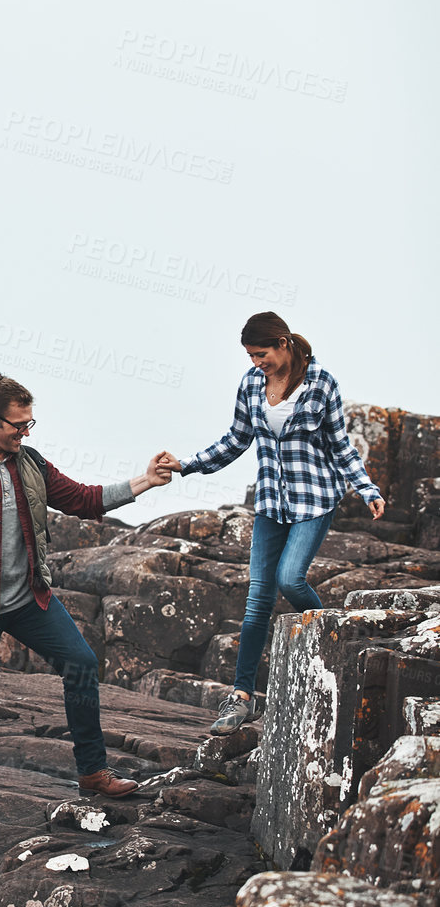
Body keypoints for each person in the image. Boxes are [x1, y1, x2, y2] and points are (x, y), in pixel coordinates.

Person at [0, 374, 173, 840]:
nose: (26, 433)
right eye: (17, 425)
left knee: (82, 664)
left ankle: (92, 773)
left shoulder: (31, 463)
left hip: (29, 599)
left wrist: (145, 480)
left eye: (30, 423)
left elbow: (85, 500)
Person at [164, 312, 385, 737]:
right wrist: (187, 465)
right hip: (271, 502)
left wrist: (367, 489)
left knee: (290, 579)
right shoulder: (251, 384)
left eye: (261, 354)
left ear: (283, 344)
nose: (255, 363)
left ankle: (338, 635)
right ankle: (241, 697)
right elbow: (236, 439)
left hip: (315, 499)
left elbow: (341, 447)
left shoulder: (321, 382)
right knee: (257, 599)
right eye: (250, 356)